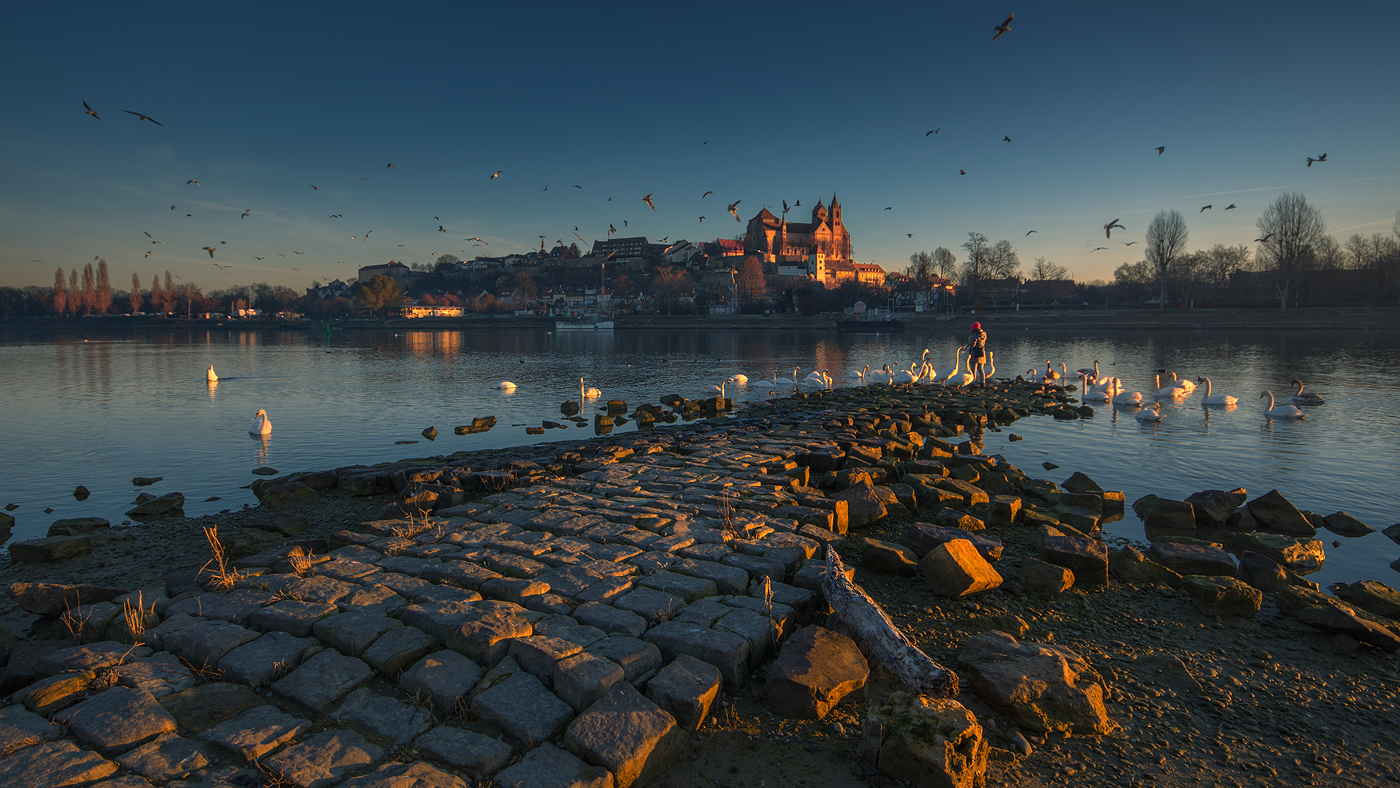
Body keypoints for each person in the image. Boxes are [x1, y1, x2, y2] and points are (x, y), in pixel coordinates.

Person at [966, 321, 988, 386]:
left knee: (973, 369)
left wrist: (970, 340)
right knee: (981, 369)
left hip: (975, 354)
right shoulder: (984, 334)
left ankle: (973, 382)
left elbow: (973, 344)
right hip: (982, 353)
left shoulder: (975, 335)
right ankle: (983, 382)